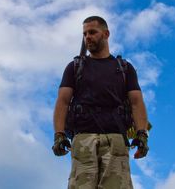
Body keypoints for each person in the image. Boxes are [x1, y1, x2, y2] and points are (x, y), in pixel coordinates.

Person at [52, 16, 149, 189]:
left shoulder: (124, 68)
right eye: (85, 33)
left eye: (92, 32)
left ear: (106, 34)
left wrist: (142, 134)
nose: (87, 37)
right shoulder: (74, 67)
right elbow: (63, 101)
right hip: (83, 138)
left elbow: (136, 102)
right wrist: (59, 135)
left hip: (116, 138)